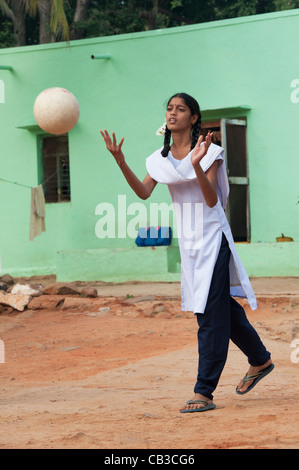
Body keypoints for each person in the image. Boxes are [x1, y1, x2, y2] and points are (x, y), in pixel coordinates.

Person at [100, 92, 274, 413]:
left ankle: (203, 391)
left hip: (213, 238)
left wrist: (196, 164)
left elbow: (211, 200)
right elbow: (143, 192)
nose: (173, 113)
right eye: (169, 108)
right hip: (189, 243)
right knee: (218, 306)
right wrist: (121, 161)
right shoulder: (161, 158)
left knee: (208, 314)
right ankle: (260, 360)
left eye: (180, 109)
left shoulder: (210, 152)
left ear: (193, 118)